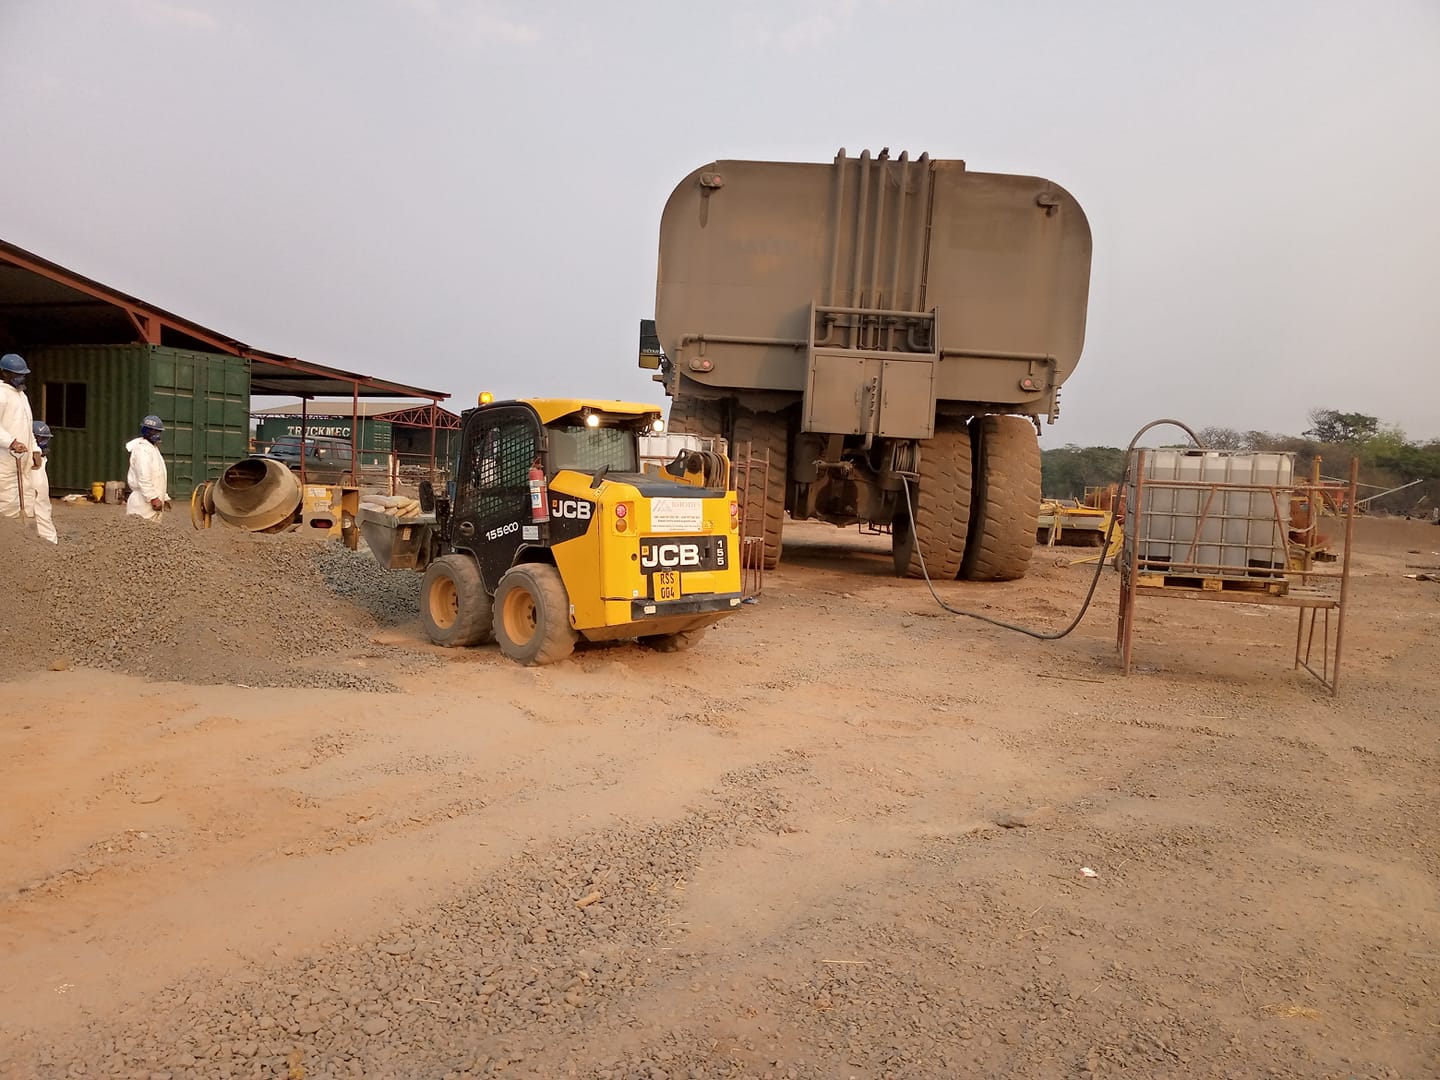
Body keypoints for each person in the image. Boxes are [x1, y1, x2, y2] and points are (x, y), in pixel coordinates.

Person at [1, 352, 38, 521]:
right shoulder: (2, 394)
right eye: (17, 375)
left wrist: (35, 449)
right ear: (4, 373)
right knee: (8, 497)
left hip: (23, 456)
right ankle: (8, 536)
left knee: (27, 493)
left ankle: (24, 538)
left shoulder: (21, 395)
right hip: (5, 458)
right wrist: (11, 442)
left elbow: (27, 426)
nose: (21, 378)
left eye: (23, 375)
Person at [125, 414, 170, 521]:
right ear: (146, 431)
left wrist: (164, 497)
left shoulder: (152, 449)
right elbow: (143, 477)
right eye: (154, 431)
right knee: (139, 533)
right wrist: (153, 498)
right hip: (143, 503)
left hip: (151, 501)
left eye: (158, 432)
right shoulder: (142, 450)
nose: (157, 434)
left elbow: (158, 477)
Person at [25, 421, 57, 543]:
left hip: (40, 498)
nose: (43, 442)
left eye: (45, 439)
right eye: (40, 438)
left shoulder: (41, 460)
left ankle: (49, 541)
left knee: (42, 508)